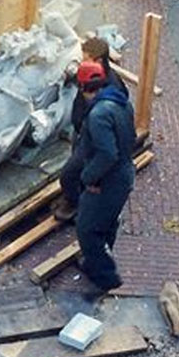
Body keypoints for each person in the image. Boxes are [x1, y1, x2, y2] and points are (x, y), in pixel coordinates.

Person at [71, 55, 137, 294]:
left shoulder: (98, 115)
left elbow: (107, 154)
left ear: (82, 87)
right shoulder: (121, 102)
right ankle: (95, 261)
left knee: (86, 228)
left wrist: (89, 177)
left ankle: (106, 276)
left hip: (108, 181)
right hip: (124, 175)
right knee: (107, 221)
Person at [54, 35, 112, 222]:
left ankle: (76, 204)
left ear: (98, 61)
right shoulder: (91, 75)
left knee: (69, 175)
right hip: (81, 132)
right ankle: (77, 194)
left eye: (86, 59)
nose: (82, 61)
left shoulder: (111, 87)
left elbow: (108, 148)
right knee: (76, 169)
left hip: (91, 139)